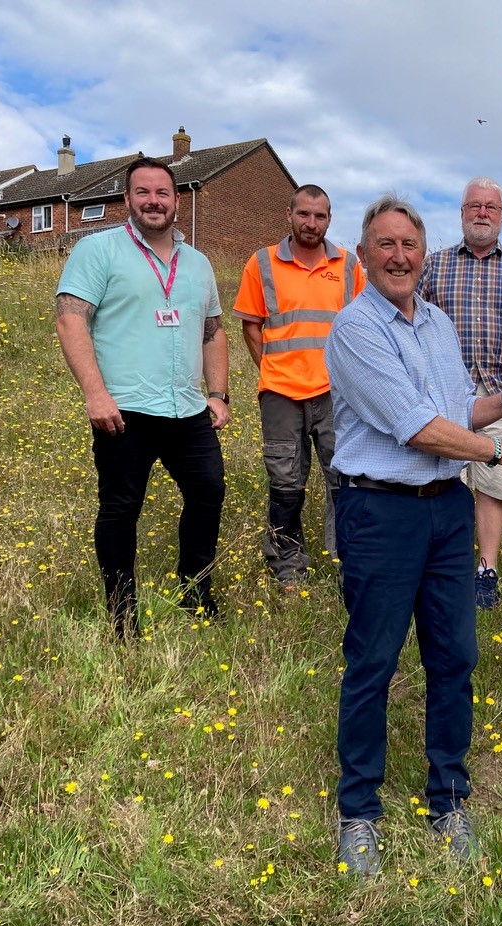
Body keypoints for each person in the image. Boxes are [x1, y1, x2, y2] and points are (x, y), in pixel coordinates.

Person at [325, 194, 502, 876]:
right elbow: (416, 426)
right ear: (364, 256)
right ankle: (359, 811)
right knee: (374, 662)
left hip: (448, 510)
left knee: (455, 659)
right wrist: (501, 453)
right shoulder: (355, 330)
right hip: (380, 514)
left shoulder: (439, 325)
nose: (399, 256)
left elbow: (457, 414)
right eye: (385, 244)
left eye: (409, 246)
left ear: (424, 256)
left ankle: (448, 799)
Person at [55, 157, 229, 640]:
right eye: (144, 192)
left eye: (163, 193)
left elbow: (213, 331)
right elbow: (71, 319)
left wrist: (217, 394)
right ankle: (122, 614)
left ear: (177, 200)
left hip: (186, 407)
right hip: (123, 410)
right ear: (127, 199)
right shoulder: (98, 250)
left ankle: (195, 593)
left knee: (208, 492)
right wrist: (95, 394)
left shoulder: (198, 263)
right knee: (121, 508)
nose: (154, 201)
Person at [419, 177, 502, 608]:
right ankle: (447, 564)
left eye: (490, 207)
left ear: (501, 215)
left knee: (495, 484)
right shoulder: (433, 265)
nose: (481, 213)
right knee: (444, 480)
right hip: (444, 394)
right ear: (461, 213)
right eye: (473, 206)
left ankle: (486, 569)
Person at [232, 184, 365, 588]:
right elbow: (251, 327)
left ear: (329, 219)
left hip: (337, 395)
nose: (311, 223)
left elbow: (361, 326)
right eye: (304, 214)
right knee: (285, 482)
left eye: (320, 216)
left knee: (346, 478)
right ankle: (288, 566)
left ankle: (352, 561)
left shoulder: (348, 265)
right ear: (288, 214)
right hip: (281, 394)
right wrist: (274, 369)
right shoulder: (262, 263)